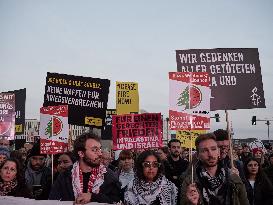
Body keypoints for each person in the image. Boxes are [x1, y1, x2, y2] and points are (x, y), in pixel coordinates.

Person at [49, 132, 121, 204]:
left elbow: (116, 201)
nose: (100, 154)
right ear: (81, 153)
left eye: (100, 149)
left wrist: (93, 197)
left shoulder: (109, 176)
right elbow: (53, 200)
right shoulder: (65, 176)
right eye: (94, 150)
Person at [180, 133, 250, 205]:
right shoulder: (190, 182)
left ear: (218, 152)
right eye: (204, 150)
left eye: (213, 149)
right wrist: (190, 203)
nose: (210, 154)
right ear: (198, 155)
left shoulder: (233, 178)